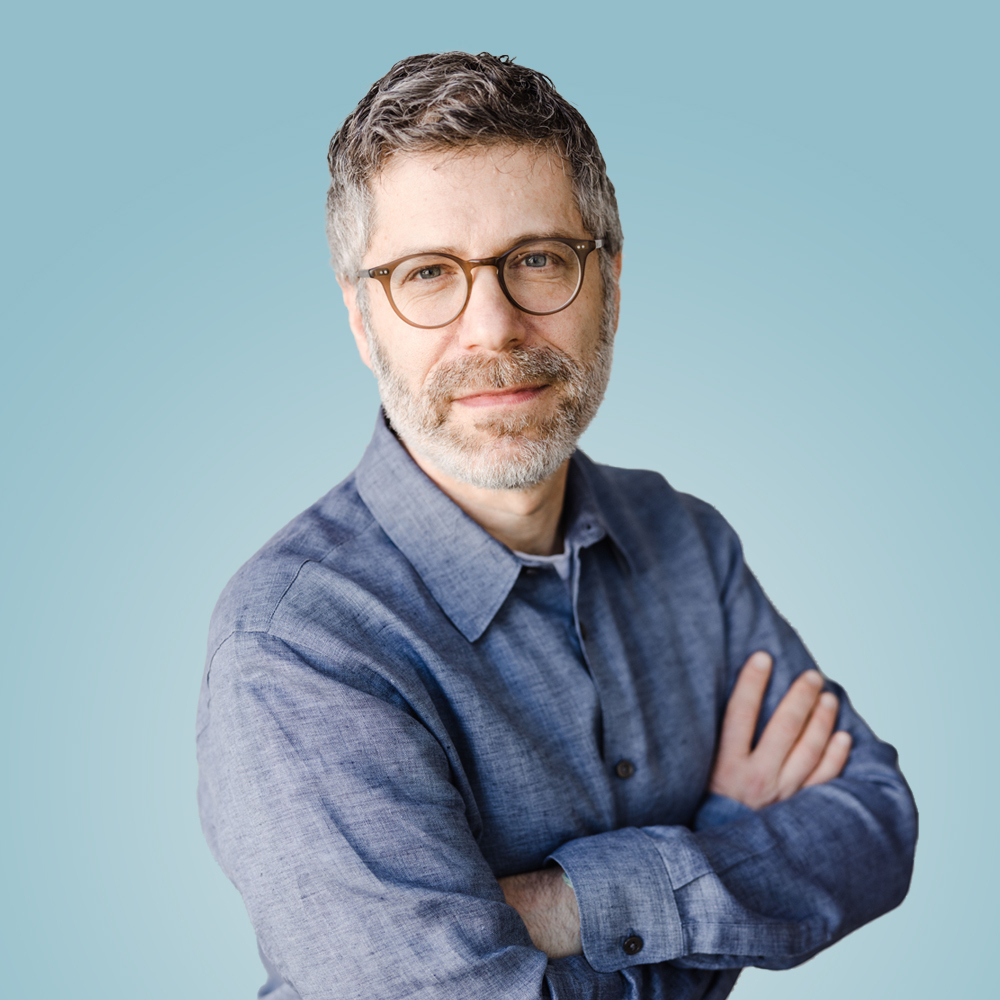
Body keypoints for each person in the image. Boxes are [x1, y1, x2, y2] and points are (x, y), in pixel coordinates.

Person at [196, 51, 917, 1000]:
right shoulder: (297, 646)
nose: (493, 327)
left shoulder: (686, 541)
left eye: (537, 259)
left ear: (609, 284)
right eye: (428, 273)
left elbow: (875, 827)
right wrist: (728, 844)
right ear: (363, 319)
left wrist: (564, 904)